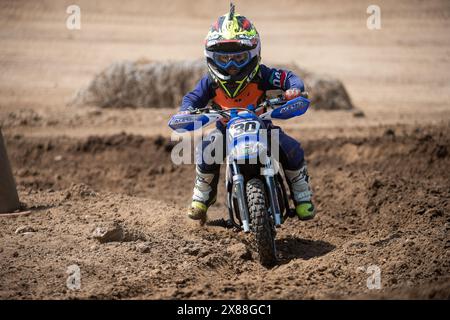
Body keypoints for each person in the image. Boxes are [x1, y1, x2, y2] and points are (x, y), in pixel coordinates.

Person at [179, 3, 315, 224]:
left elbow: (288, 77)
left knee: (291, 148)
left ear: (254, 54)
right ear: (211, 57)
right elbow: (192, 98)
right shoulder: (210, 82)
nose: (231, 65)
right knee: (206, 149)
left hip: (262, 124)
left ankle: (301, 195)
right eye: (224, 59)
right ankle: (203, 195)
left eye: (239, 58)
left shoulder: (262, 74)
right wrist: (186, 111)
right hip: (225, 128)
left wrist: (294, 89)